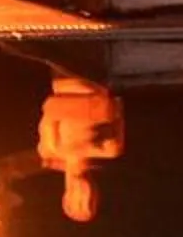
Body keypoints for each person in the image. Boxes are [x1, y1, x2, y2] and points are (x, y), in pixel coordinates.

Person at [36, 77, 123, 222]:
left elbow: (51, 107)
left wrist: (96, 110)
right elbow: (115, 105)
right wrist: (98, 110)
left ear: (66, 198)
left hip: (64, 80)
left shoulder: (51, 149)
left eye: (79, 202)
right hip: (94, 80)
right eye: (89, 202)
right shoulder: (110, 150)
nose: (84, 197)